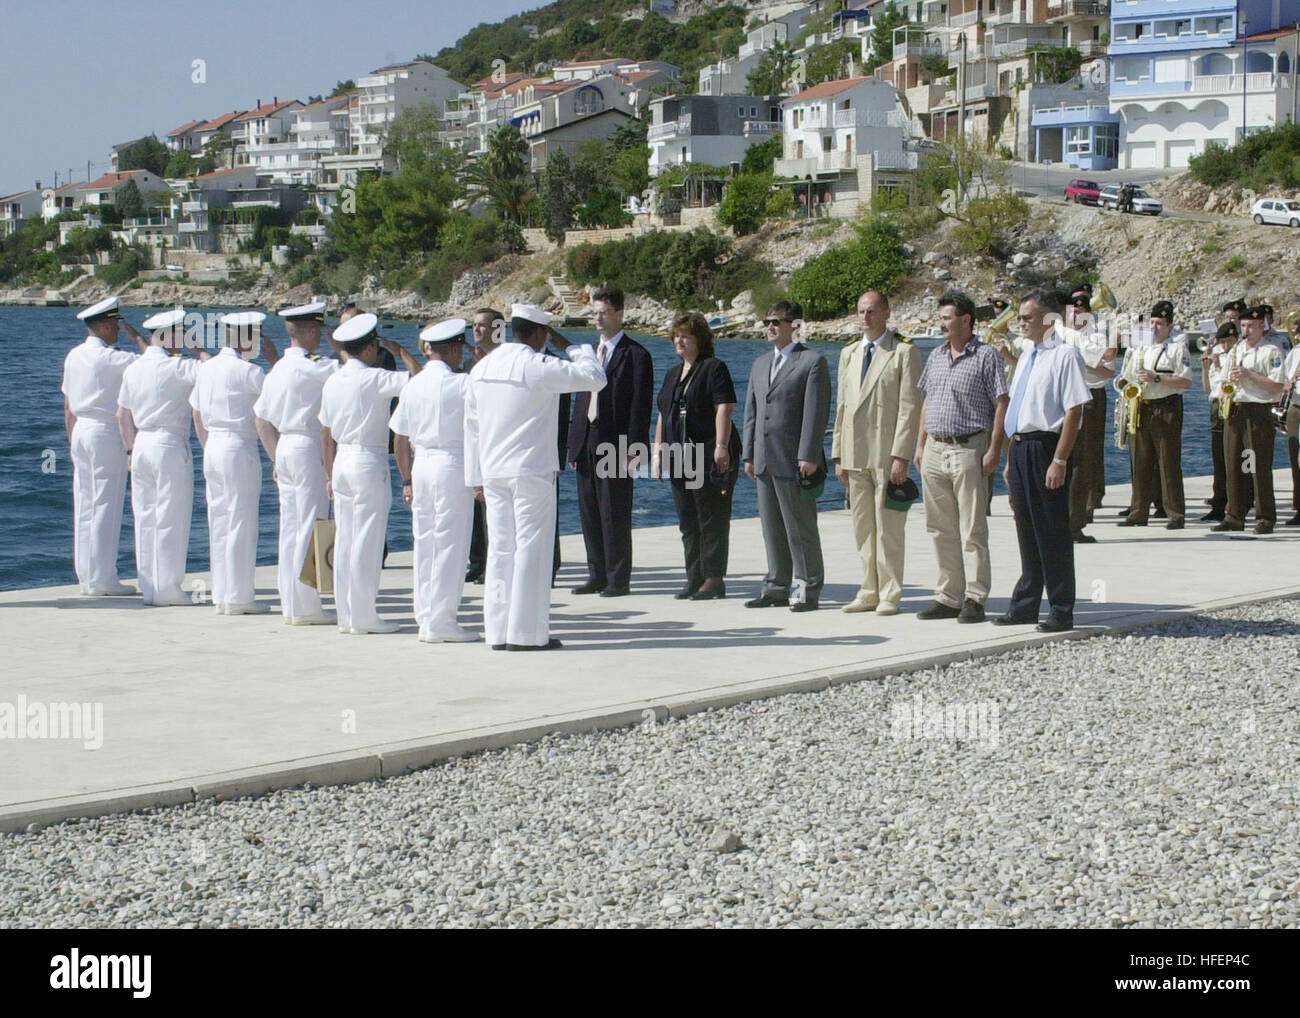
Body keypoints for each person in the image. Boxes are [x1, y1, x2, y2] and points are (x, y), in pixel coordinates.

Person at [463, 304, 606, 650]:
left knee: (499, 551)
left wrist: (475, 477)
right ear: (541, 333)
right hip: (530, 471)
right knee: (531, 549)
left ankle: (497, 631)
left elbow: (472, 428)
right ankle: (526, 633)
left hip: (493, 471)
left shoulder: (482, 368)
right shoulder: (537, 365)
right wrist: (575, 347)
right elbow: (595, 378)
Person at [993, 292, 1091, 633]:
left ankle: (1061, 607)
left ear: (1049, 320)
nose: (1020, 323)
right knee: (1027, 529)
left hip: (1046, 448)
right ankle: (1026, 603)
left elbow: (1074, 411)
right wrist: (1009, 459)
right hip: (1020, 448)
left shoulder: (1065, 356)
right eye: (1019, 317)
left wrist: (1060, 459)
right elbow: (1017, 410)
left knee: (1052, 530)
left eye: (1027, 317)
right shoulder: (1026, 355)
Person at [319, 313, 418, 634]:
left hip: (342, 460)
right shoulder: (374, 378)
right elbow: (418, 380)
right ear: (371, 346)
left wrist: (330, 473)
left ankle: (347, 614)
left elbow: (326, 430)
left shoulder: (333, 379)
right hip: (367, 459)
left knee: (346, 539)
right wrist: (402, 351)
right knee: (367, 541)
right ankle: (364, 616)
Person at [913, 290, 1009, 623]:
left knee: (972, 528)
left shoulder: (986, 356)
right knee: (940, 528)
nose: (941, 324)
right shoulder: (936, 355)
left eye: (946, 318)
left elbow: (1001, 404)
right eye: (940, 318)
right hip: (935, 449)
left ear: (966, 320)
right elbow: (928, 400)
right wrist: (920, 444)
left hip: (970, 447)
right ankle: (948, 595)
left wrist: (995, 448)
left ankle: (976, 597)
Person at [831, 290, 921, 616]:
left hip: (885, 454)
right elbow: (842, 407)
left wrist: (902, 455)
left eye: (871, 312)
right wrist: (837, 454)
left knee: (889, 529)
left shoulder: (902, 353)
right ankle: (868, 589)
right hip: (855, 455)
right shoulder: (849, 354)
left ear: (886, 314)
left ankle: (890, 593)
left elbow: (909, 408)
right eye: (860, 312)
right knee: (863, 528)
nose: (865, 318)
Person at [391, 318, 478, 643]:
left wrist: (406, 479)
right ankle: (442, 621)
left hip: (421, 465)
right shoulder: (463, 384)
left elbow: (399, 439)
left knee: (425, 541)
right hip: (451, 463)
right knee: (451, 544)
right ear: (455, 347)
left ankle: (426, 616)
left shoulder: (413, 384)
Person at [742, 299, 832, 612]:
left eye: (776, 321)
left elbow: (816, 413)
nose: (770, 327)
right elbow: (751, 412)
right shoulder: (759, 364)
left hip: (795, 459)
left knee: (800, 528)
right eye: (767, 321)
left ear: (794, 325)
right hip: (764, 458)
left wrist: (809, 455)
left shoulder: (812, 361)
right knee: (772, 528)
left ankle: (808, 588)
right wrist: (748, 455)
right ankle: (776, 586)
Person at [253, 301, 338, 625]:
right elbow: (351, 373)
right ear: (313, 330)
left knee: (289, 527)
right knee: (311, 525)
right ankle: (306, 606)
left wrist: (275, 458)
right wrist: (340, 347)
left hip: (285, 446)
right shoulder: (314, 366)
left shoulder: (278, 369)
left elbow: (261, 420)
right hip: (306, 445)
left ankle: (292, 602)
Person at [566, 286, 654, 598]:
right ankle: (597, 574)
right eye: (595, 313)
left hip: (616, 443)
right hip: (586, 438)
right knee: (589, 510)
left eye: (603, 312)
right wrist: (574, 444)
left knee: (614, 512)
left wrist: (636, 449)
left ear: (619, 313)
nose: (598, 319)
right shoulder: (588, 354)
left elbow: (640, 407)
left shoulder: (637, 356)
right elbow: (580, 398)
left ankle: (618, 579)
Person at [191, 311, 276, 614]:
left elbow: (197, 415)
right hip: (238, 445)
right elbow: (276, 401)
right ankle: (239, 596)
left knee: (219, 521)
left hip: (212, 444)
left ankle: (222, 594)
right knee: (241, 521)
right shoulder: (248, 372)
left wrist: (207, 447)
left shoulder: (206, 369)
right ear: (246, 338)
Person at [62, 297, 148, 596]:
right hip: (103, 431)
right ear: (105, 324)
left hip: (80, 431)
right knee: (105, 505)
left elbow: (68, 404)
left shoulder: (73, 356)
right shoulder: (113, 359)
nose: (116, 330)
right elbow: (153, 362)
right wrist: (137, 337)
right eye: (114, 324)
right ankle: (103, 579)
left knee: (84, 504)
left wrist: (71, 437)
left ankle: (86, 576)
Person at [652, 311, 740, 601]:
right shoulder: (672, 374)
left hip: (708, 452)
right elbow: (664, 414)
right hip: (679, 455)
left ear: (699, 339)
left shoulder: (714, 368)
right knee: (687, 519)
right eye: (676, 335)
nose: (679, 340)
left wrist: (722, 446)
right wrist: (658, 450)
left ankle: (714, 578)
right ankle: (694, 576)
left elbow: (724, 407)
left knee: (710, 516)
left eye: (685, 335)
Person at [116, 308, 200, 606]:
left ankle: (149, 585)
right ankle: (168, 588)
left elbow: (122, 414)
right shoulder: (178, 368)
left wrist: (129, 449)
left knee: (145, 517)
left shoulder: (134, 368)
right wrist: (200, 350)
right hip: (168, 443)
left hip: (140, 444)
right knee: (171, 516)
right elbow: (214, 372)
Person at [1115, 301, 1192, 530]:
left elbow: (1186, 381)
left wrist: (1157, 378)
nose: (1154, 327)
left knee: (1168, 461)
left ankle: (1175, 514)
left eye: (1159, 323)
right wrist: (1125, 389)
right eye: (1152, 323)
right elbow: (1126, 377)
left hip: (1166, 406)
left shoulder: (1178, 349)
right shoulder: (1141, 348)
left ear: (1170, 326)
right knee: (1140, 461)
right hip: (1142, 406)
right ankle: (1138, 512)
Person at [1212, 306, 1286, 535]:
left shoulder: (1271, 351)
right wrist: (1226, 390)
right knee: (1234, 464)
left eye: (1251, 326)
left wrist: (1249, 375)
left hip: (1259, 410)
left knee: (1258, 466)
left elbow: (1278, 386)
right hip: (1236, 409)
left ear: (1262, 326)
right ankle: (1234, 515)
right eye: (1243, 326)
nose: (1246, 330)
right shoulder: (1236, 351)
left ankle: (1265, 517)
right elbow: (1223, 380)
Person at [1062, 290, 1116, 543]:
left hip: (1090, 397)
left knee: (1084, 460)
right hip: (1064, 399)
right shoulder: (1062, 334)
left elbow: (1107, 370)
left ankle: (1078, 518)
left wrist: (1080, 363)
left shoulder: (1095, 336)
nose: (1077, 314)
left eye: (1082, 310)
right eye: (1074, 310)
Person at [465, 307, 504, 584]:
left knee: (497, 518)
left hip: (500, 450)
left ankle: (493, 567)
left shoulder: (505, 361)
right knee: (478, 514)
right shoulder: (471, 365)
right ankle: (478, 563)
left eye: (482, 325)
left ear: (498, 329)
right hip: (478, 448)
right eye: (474, 325)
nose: (476, 330)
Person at [1199, 321, 1251, 523]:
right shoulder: (1217, 355)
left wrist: (1220, 365)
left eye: (1230, 340)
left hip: (1236, 405)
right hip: (1217, 405)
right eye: (1224, 341)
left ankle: (1242, 501)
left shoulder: (1239, 355)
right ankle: (1219, 504)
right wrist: (1207, 367)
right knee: (1219, 459)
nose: (1227, 345)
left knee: (1240, 459)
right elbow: (1207, 388)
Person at [1283, 339, 1300, 526]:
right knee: (1295, 459)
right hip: (1296, 404)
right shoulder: (1296, 352)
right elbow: (1284, 378)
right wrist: (1288, 382)